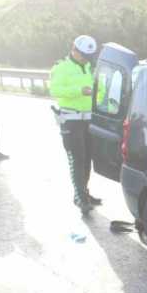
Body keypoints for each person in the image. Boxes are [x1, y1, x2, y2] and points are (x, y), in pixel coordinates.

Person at [50, 35, 101, 216]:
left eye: (88, 55)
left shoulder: (89, 67)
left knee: (87, 158)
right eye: (83, 54)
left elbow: (97, 91)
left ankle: (84, 192)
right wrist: (79, 91)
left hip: (88, 120)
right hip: (71, 120)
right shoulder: (61, 67)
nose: (85, 58)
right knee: (77, 158)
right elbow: (55, 90)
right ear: (74, 49)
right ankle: (79, 196)